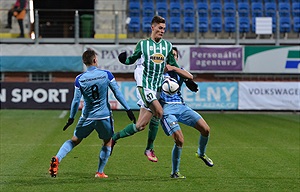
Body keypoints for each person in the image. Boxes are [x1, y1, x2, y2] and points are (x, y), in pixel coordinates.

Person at [48, 49, 136, 178]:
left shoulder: (80, 79)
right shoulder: (106, 74)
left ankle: (57, 158)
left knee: (74, 140)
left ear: (84, 62)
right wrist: (128, 109)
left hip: (87, 116)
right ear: (95, 60)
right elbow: (117, 93)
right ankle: (100, 172)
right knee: (107, 141)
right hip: (104, 116)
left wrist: (71, 118)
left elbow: (76, 101)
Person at [112, 15, 180, 162]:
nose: (162, 31)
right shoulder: (143, 44)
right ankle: (149, 148)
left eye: (164, 28)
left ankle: (114, 138)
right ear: (153, 27)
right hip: (145, 87)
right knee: (159, 112)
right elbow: (132, 59)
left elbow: (174, 65)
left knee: (140, 126)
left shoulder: (167, 46)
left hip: (158, 89)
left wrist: (186, 78)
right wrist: (125, 60)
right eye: (160, 28)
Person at [160, 48, 214, 179]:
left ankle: (201, 153)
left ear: (177, 58)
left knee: (206, 129)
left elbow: (190, 77)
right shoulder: (158, 71)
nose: (172, 57)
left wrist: (174, 68)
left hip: (181, 107)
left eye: (174, 55)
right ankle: (175, 172)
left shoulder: (179, 70)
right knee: (179, 140)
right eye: (170, 55)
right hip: (166, 110)